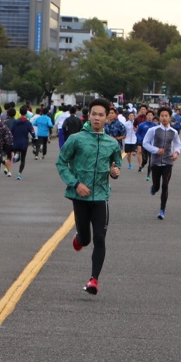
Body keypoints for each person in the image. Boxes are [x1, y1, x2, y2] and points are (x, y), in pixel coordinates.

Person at [56, 97, 122, 295]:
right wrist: (75, 184)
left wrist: (114, 172)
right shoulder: (76, 139)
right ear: (89, 115)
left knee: (100, 238)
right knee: (86, 239)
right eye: (94, 114)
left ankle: (94, 280)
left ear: (107, 117)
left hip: (101, 196)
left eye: (101, 115)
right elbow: (61, 163)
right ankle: (79, 238)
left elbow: (115, 165)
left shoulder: (112, 144)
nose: (97, 118)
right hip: (81, 197)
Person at [143, 107, 181, 220]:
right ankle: (154, 188)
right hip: (155, 162)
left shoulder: (173, 132)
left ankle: (162, 210)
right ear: (159, 117)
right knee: (157, 186)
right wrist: (156, 150)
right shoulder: (153, 130)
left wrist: (176, 153)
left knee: (165, 185)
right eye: (162, 116)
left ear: (170, 117)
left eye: (166, 116)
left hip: (168, 161)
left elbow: (178, 144)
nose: (164, 118)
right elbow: (145, 143)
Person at [9, 106, 37, 180]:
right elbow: (33, 133)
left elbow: (11, 131)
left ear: (20, 112)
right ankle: (19, 173)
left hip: (15, 142)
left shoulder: (15, 122)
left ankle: (16, 155)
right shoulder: (28, 123)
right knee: (23, 159)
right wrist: (34, 137)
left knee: (15, 153)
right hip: (24, 143)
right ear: (26, 113)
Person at [135, 110, 157, 178]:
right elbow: (137, 133)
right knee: (145, 159)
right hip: (144, 145)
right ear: (146, 116)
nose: (150, 117)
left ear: (153, 117)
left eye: (151, 115)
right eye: (148, 115)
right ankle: (142, 165)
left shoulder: (155, 125)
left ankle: (148, 174)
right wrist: (140, 139)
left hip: (152, 145)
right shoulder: (142, 125)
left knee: (151, 160)